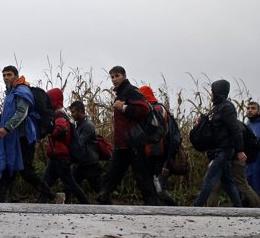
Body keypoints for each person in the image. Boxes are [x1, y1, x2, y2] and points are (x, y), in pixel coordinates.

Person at [0, 65, 64, 204]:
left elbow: (22, 112)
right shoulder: (10, 93)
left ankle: (53, 196)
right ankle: (5, 199)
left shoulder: (21, 91)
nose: (6, 77)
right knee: (10, 165)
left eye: (9, 74)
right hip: (13, 137)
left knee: (26, 170)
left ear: (16, 76)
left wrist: (6, 128)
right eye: (4, 75)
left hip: (24, 136)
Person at [98, 66, 157, 205]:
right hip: (123, 142)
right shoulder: (121, 92)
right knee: (114, 171)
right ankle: (104, 195)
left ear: (124, 76)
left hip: (134, 141)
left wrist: (123, 107)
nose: (114, 79)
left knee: (141, 173)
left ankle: (152, 203)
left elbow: (144, 108)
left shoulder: (130, 90)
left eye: (117, 76)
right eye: (112, 77)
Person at [192, 79, 245, 207]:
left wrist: (240, 150)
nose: (211, 94)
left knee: (209, 179)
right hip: (219, 150)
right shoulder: (218, 107)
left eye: (212, 91)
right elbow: (218, 128)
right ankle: (239, 207)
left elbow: (235, 129)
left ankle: (196, 207)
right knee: (227, 181)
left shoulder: (227, 108)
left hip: (225, 150)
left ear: (218, 92)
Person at [43, 88, 89, 204]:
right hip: (57, 155)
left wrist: (51, 133)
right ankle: (40, 201)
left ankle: (86, 203)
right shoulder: (61, 114)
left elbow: (61, 129)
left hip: (60, 156)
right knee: (46, 181)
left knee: (69, 182)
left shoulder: (58, 115)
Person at [138, 86, 178, 206]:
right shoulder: (158, 108)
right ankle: (157, 207)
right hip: (156, 151)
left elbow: (154, 130)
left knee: (158, 185)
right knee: (153, 183)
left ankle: (172, 207)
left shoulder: (156, 109)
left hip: (157, 152)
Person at [69, 100, 101, 201]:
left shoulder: (87, 125)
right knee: (72, 185)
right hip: (82, 162)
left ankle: (107, 205)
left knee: (97, 187)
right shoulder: (80, 124)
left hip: (90, 163)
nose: (72, 114)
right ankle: (79, 203)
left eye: (73, 112)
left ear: (80, 111)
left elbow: (80, 142)